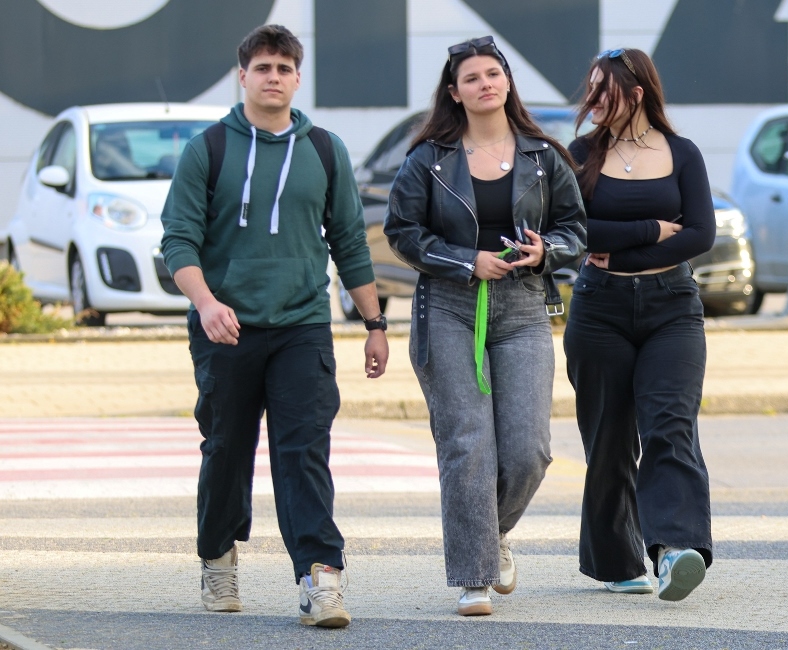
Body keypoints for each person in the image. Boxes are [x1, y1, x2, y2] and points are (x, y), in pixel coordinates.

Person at [160, 24, 389, 628]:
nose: (273, 77)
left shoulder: (324, 150)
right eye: (263, 67)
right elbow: (178, 241)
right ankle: (218, 555)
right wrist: (206, 303)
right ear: (243, 75)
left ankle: (320, 578)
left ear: (297, 77)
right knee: (226, 449)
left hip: (302, 326)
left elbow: (349, 242)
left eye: (284, 68)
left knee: (304, 451)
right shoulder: (208, 149)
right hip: (225, 326)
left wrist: (374, 322)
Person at [384, 35, 586, 616]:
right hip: (450, 307)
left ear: (507, 82)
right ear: (455, 92)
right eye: (471, 78)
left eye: (493, 74)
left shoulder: (544, 156)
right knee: (468, 443)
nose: (485, 84)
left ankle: (490, 533)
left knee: (529, 450)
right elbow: (402, 233)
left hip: (523, 307)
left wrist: (546, 251)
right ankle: (474, 577)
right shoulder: (428, 159)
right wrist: (464, 260)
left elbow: (576, 230)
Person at [564, 47, 715, 601]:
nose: (591, 100)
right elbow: (575, 229)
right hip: (598, 309)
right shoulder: (580, 154)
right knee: (608, 438)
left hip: (672, 307)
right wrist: (651, 231)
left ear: (636, 92)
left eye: (602, 89)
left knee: (670, 425)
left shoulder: (682, 153)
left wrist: (622, 250)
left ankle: (675, 549)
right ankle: (617, 560)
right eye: (588, 89)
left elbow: (700, 234)